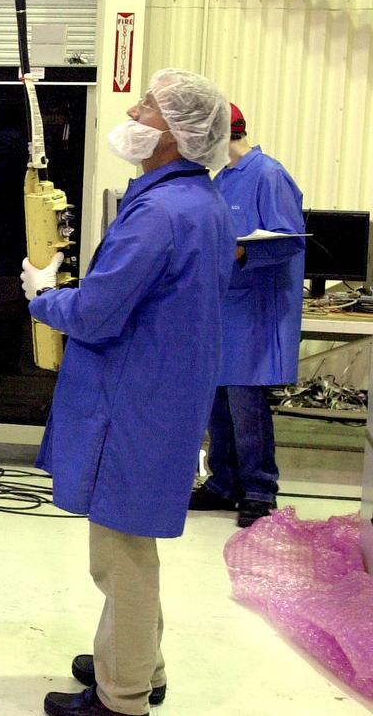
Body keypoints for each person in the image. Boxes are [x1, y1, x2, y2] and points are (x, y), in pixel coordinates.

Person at [20, 69, 236, 716]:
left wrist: (45, 295)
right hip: (159, 397)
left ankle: (121, 697)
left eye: (150, 107)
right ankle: (142, 662)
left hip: (133, 403)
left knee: (118, 558)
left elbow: (98, 311)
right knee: (130, 545)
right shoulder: (196, 203)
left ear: (179, 135)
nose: (134, 111)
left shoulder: (163, 212)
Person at [189, 104, 304, 528]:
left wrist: (241, 250)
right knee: (218, 403)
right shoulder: (222, 179)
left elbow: (289, 240)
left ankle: (259, 490)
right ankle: (223, 483)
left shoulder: (268, 175)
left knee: (246, 406)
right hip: (224, 310)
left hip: (255, 312)